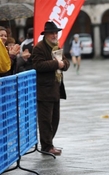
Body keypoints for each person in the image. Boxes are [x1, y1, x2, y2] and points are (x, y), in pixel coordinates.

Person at [32, 21, 70, 156]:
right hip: (44, 90)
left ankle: (49, 143)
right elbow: (38, 65)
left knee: (55, 119)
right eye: (52, 33)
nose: (54, 35)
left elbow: (66, 63)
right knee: (45, 120)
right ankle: (47, 146)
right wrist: (56, 64)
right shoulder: (39, 48)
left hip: (56, 88)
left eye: (56, 33)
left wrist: (62, 64)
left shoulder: (56, 47)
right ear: (46, 34)